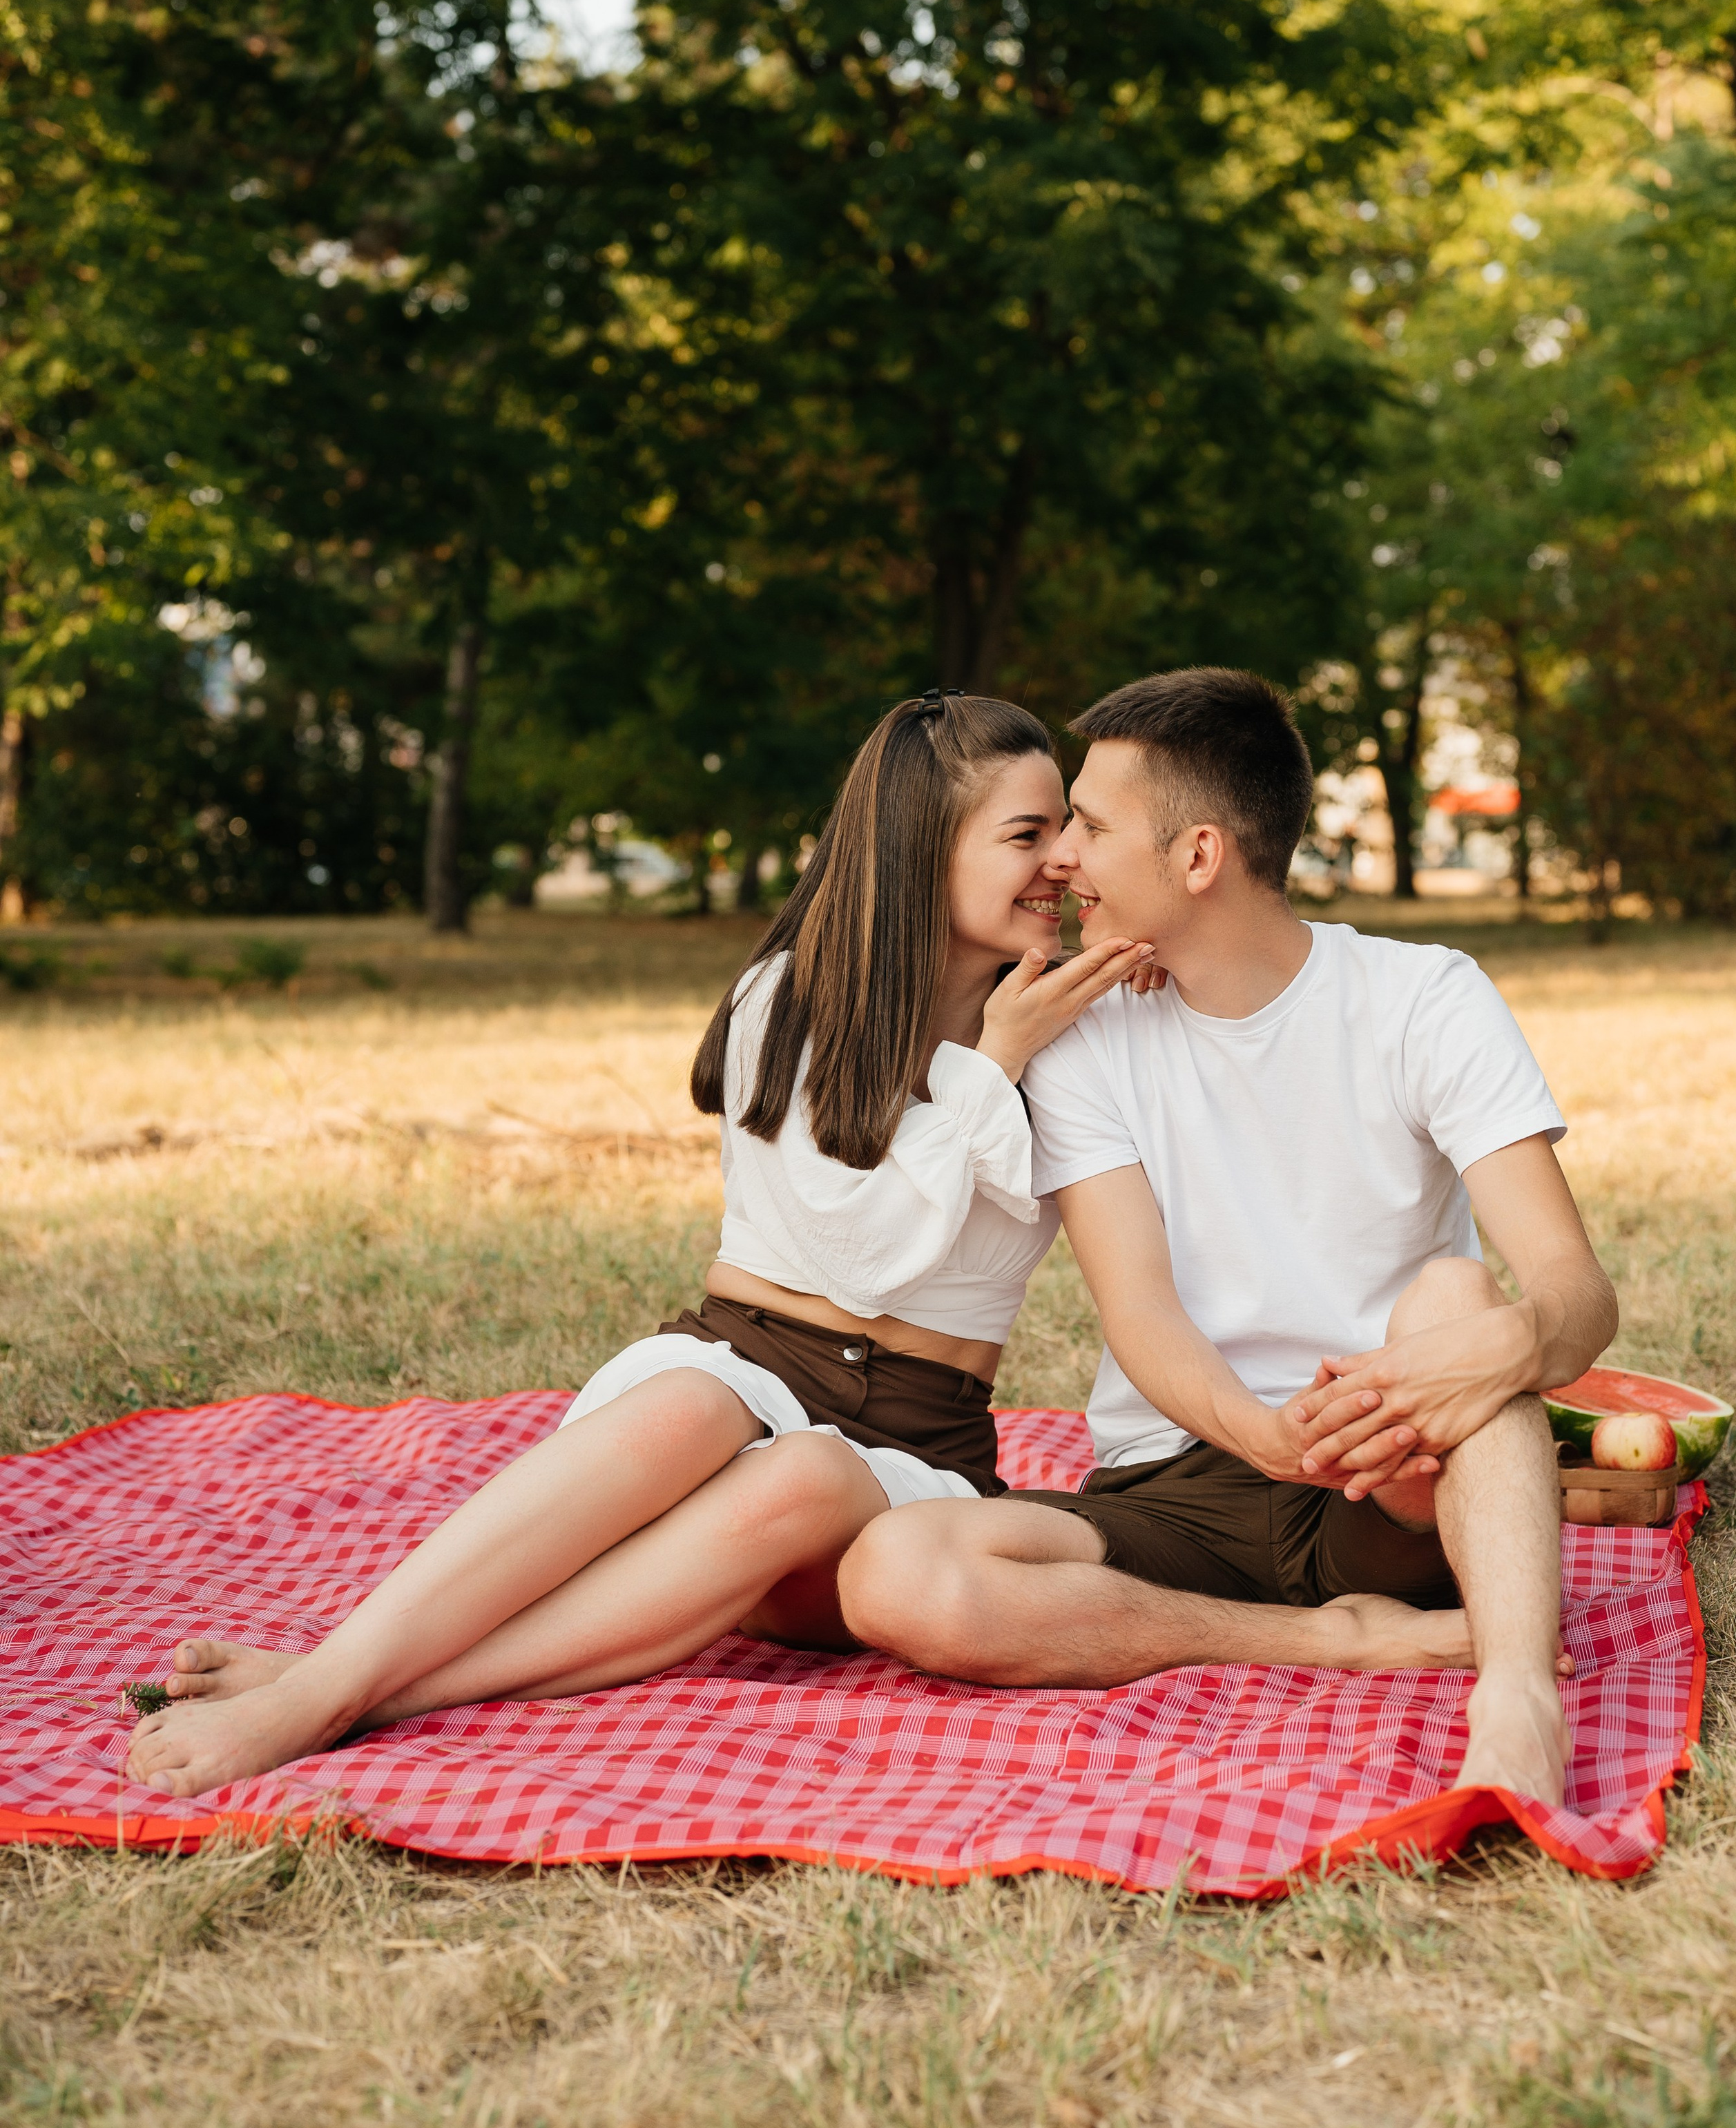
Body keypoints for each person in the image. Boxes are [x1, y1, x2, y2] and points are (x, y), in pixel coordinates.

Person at [123, 693, 1174, 1799]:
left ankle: (346, 1689)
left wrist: (1053, 1026)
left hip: (908, 1455)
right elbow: (854, 1259)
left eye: (1066, 827)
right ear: (921, 852)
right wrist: (984, 1064)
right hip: (740, 1363)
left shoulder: (1080, 1033)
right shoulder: (797, 1001)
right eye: (1027, 833)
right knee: (690, 1406)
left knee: (810, 1474)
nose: (1063, 857)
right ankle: (332, 1682)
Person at [839, 668, 1615, 1809]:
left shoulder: (1423, 999)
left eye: (1093, 828)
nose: (1064, 859)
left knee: (1458, 1294)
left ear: (1198, 857)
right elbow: (1141, 1312)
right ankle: (1352, 1643)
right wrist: (1263, 1433)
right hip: (1178, 1480)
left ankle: (1515, 1699)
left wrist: (1496, 1351)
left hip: (1382, 1468)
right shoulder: (1085, 1037)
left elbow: (1575, 1293)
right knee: (895, 1573)